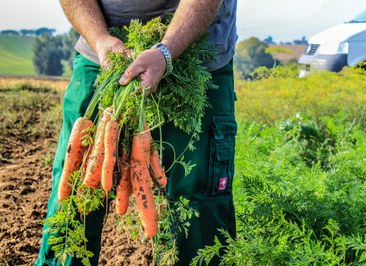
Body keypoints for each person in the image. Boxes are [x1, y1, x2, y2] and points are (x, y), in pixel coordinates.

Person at [35, 0, 238, 265]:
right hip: (102, 56)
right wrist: (99, 39)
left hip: (196, 58)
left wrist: (166, 52)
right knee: (76, 192)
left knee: (199, 207)